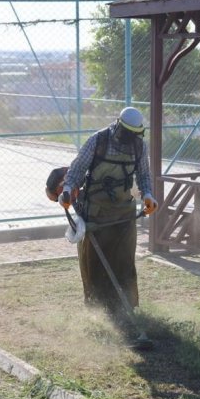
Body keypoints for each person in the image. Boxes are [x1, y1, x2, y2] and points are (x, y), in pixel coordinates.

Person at [59, 107, 158, 339]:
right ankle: (96, 313)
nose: (131, 139)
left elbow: (143, 176)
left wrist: (148, 196)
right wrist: (66, 191)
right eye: (128, 134)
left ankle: (127, 309)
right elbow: (75, 171)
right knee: (94, 267)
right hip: (95, 213)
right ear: (119, 126)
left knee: (124, 263)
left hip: (123, 213)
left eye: (135, 135)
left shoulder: (138, 147)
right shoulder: (98, 141)